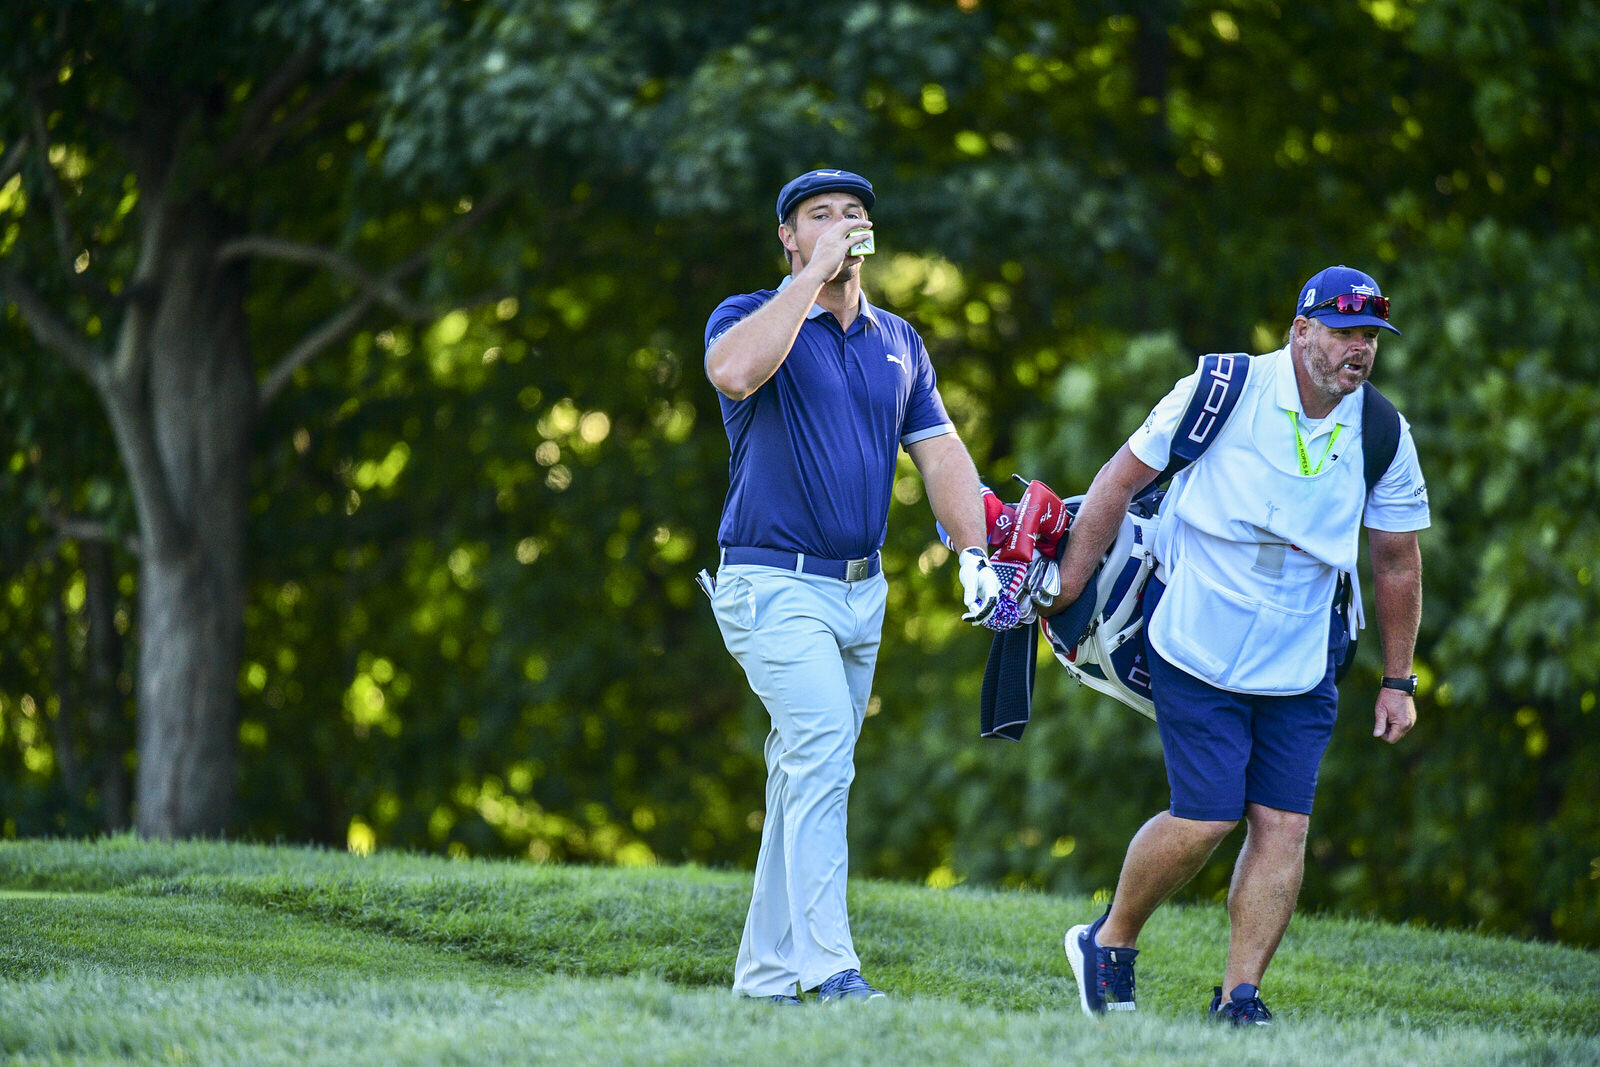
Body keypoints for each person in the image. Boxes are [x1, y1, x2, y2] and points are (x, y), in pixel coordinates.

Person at [1043, 265, 1429, 1025]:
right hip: (1197, 640)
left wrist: (1399, 678)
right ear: (1300, 331)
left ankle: (1239, 995)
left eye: (1371, 338)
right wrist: (1064, 587)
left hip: (1303, 657)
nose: (1360, 351)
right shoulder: (1222, 388)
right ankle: (1108, 940)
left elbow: (1396, 560)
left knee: (1284, 822)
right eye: (1345, 333)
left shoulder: (1383, 430)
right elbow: (1119, 481)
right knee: (1210, 814)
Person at [703, 168, 1000, 1005]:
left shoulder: (899, 340)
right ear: (789, 238)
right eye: (819, 215)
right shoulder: (750, 316)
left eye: (854, 214)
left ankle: (763, 979)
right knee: (824, 753)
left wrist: (974, 555)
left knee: (804, 767)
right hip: (769, 584)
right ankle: (831, 969)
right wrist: (808, 279)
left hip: (860, 593)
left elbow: (941, 454)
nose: (841, 224)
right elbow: (732, 373)